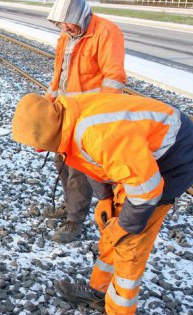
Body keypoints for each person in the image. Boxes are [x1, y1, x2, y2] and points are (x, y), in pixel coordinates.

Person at [12, 93, 193, 315]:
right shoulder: (68, 118)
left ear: (50, 132)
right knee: (110, 225)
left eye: (39, 145)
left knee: (129, 242)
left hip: (173, 156)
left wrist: (125, 226)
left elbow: (147, 190)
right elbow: (92, 162)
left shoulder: (96, 134)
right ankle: (99, 290)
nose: (38, 150)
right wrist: (104, 198)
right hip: (138, 156)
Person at [45, 0, 127, 243]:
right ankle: (69, 204)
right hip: (66, 112)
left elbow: (114, 77)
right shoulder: (65, 36)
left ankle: (75, 220)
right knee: (61, 161)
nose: (65, 28)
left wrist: (99, 114)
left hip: (89, 116)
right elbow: (59, 75)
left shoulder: (105, 32)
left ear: (81, 17)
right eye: (61, 24)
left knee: (79, 169)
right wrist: (49, 102)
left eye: (68, 23)